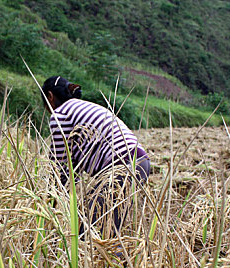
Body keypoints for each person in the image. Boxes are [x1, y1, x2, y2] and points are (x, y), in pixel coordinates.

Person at [41, 76, 150, 237]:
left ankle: (110, 261)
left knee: (89, 231)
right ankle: (116, 261)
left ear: (49, 96)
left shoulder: (60, 114)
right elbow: (74, 169)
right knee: (107, 230)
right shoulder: (82, 107)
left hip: (120, 166)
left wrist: (46, 208)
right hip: (140, 162)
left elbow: (60, 169)